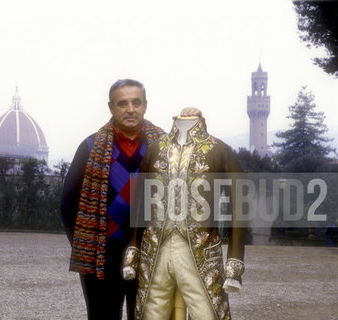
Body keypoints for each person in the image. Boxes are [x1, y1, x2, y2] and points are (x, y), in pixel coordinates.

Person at [123, 108, 246, 320]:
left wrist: (234, 263)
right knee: (151, 313)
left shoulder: (218, 150)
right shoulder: (156, 148)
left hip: (201, 250)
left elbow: (239, 206)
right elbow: (140, 202)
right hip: (154, 251)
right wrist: (133, 249)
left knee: (207, 314)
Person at [60, 79, 165, 320]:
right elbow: (68, 206)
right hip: (101, 257)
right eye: (122, 103)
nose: (130, 109)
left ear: (145, 105)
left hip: (153, 255)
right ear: (111, 108)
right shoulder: (90, 148)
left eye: (136, 102)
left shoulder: (165, 147)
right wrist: (86, 245)